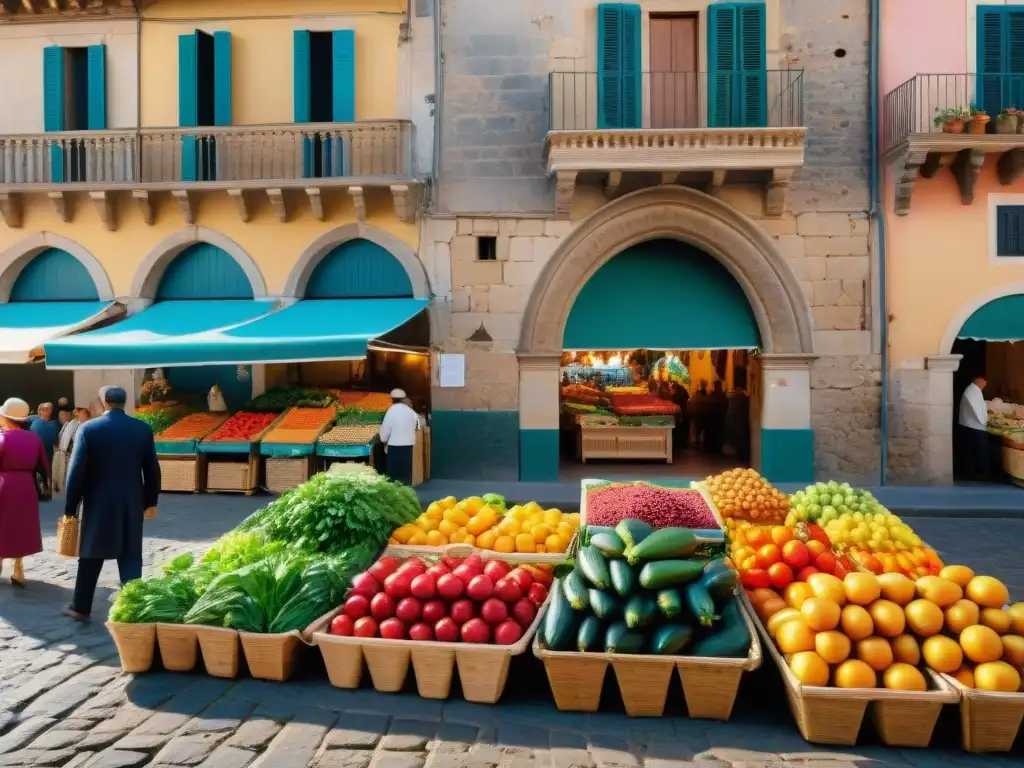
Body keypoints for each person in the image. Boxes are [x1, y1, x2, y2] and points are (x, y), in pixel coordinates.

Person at [61, 387, 161, 621]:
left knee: (91, 553)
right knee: (130, 553)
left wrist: (70, 508)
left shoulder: (89, 429)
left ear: (103, 402)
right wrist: (150, 501)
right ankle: (134, 609)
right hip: (131, 499)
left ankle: (80, 607)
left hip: (97, 499)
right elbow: (152, 471)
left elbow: (76, 472)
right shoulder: (142, 429)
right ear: (124, 403)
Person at [0, 398, 48, 587]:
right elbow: (43, 466)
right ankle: (18, 568)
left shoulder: (3, 438)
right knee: (21, 525)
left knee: (3, 525)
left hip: (4, 484)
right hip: (26, 485)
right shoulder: (34, 438)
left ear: (5, 417)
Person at [378, 388, 421, 486]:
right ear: (403, 398)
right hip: (409, 447)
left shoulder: (391, 411)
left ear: (392, 399)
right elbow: (418, 427)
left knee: (394, 478)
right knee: (406, 475)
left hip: (394, 448)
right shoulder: (412, 412)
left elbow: (383, 437)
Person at [958, 373, 991, 481]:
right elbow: (976, 408)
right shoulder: (973, 390)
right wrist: (984, 421)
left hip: (973, 424)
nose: (984, 386)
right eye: (983, 384)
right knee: (979, 449)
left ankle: (978, 472)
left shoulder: (974, 390)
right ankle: (982, 473)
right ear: (979, 381)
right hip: (974, 425)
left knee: (975, 450)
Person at [53, 406, 87, 493]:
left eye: (63, 415)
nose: (61, 417)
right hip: (67, 453)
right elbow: (63, 438)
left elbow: (68, 439)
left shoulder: (76, 424)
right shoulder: (69, 424)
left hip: (72, 453)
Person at [29, 402, 59, 473]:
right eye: (40, 409)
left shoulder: (54, 425)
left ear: (51, 411)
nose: (41, 411)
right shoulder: (34, 422)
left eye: (44, 409)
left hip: (48, 460)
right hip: (34, 459)